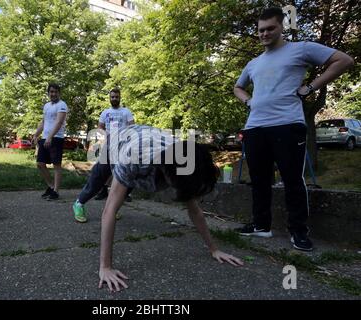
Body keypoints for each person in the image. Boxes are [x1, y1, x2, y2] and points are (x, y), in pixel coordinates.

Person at [233, 7, 354, 251]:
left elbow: (344, 60)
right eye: (261, 30)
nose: (264, 34)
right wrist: (248, 100)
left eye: (270, 29)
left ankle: (298, 231)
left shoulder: (301, 49)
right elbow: (238, 87)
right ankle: (261, 226)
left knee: (292, 180)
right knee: (259, 180)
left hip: (288, 124)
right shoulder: (253, 63)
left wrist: (310, 88)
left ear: (281, 27)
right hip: (255, 127)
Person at [97, 125, 243, 292]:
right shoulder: (133, 158)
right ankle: (82, 199)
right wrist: (105, 267)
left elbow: (195, 211)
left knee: (127, 184)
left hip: (150, 141)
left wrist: (214, 249)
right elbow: (109, 211)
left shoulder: (184, 160)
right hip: (120, 142)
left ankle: (121, 183)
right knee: (97, 181)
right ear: (168, 176)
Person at [72, 88, 134, 223]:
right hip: (109, 147)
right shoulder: (105, 113)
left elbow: (132, 128)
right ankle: (79, 203)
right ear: (109, 98)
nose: (114, 99)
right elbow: (100, 129)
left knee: (125, 180)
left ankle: (112, 208)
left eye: (116, 96)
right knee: (98, 177)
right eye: (112, 97)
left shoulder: (126, 112)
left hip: (123, 148)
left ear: (120, 97)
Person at [32, 84, 68, 200]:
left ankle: (56, 191)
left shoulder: (62, 105)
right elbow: (43, 122)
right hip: (45, 138)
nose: (53, 94)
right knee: (40, 163)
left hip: (56, 138)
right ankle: (51, 186)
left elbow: (59, 122)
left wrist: (50, 137)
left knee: (56, 165)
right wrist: (36, 134)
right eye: (51, 92)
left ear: (59, 93)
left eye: (55, 92)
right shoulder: (46, 105)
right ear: (48, 93)